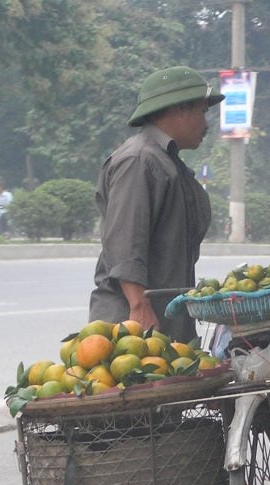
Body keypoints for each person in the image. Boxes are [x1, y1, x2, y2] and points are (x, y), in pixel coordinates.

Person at [88, 66, 224, 341]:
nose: (206, 123)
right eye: (202, 111)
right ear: (178, 110)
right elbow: (126, 242)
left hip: (166, 322)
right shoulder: (140, 161)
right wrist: (139, 306)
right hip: (135, 325)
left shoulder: (168, 163)